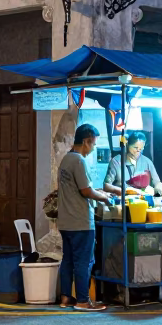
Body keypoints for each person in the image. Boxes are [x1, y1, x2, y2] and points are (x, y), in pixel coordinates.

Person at [56, 123, 110, 311]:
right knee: (84, 261)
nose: (93, 148)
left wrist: (98, 192)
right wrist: (104, 197)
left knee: (68, 260)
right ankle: (82, 300)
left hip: (65, 220)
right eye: (93, 144)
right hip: (80, 221)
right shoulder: (79, 160)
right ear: (86, 141)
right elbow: (86, 190)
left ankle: (65, 298)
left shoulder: (66, 159)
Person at [102, 131, 162, 199]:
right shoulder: (116, 161)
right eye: (135, 148)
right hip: (122, 201)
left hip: (143, 201)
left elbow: (157, 182)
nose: (138, 151)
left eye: (141, 149)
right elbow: (106, 186)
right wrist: (127, 191)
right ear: (127, 145)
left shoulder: (147, 162)